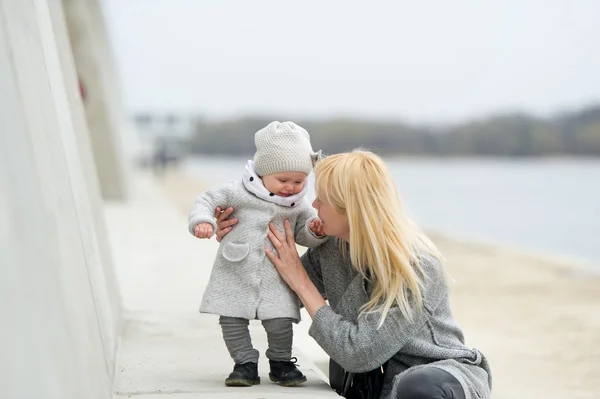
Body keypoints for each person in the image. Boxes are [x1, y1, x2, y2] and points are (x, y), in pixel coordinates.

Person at [213, 150, 492, 399]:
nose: (315, 205)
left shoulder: (417, 265)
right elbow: (270, 295)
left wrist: (303, 282)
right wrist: (242, 237)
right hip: (371, 382)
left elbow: (360, 352)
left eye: (323, 198)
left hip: (437, 379)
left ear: (352, 208)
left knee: (418, 387)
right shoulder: (333, 247)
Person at [188, 121, 327, 387]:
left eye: (299, 181)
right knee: (231, 319)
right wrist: (202, 221)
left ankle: (281, 362)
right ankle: (244, 363)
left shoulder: (298, 205)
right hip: (235, 269)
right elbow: (205, 200)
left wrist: (315, 231)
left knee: (281, 321)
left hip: (276, 276)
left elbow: (303, 234)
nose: (291, 187)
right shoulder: (236, 191)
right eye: (283, 180)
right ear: (262, 172)